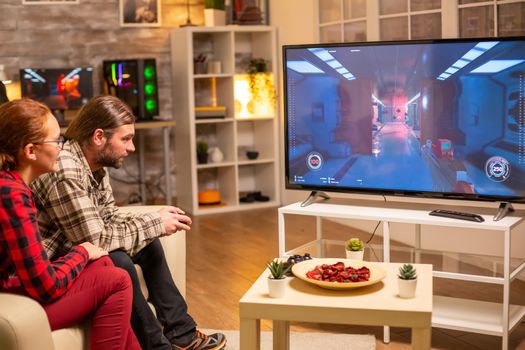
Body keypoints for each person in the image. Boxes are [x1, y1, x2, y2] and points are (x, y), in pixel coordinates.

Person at [31, 95, 226, 350]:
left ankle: (182, 335)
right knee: (119, 261)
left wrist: (153, 218)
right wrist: (154, 223)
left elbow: (109, 215)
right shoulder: (66, 171)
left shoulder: (95, 165)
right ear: (98, 136)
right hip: (55, 261)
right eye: (126, 139)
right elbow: (97, 239)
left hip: (78, 245)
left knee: (148, 244)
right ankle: (157, 346)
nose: (132, 147)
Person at [0, 98, 141, 350]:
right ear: (30, 151)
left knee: (107, 263)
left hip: (12, 285)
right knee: (117, 280)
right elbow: (46, 287)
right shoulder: (10, 194)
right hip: (7, 294)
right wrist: (83, 251)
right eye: (56, 141)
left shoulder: (12, 185)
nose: (62, 148)